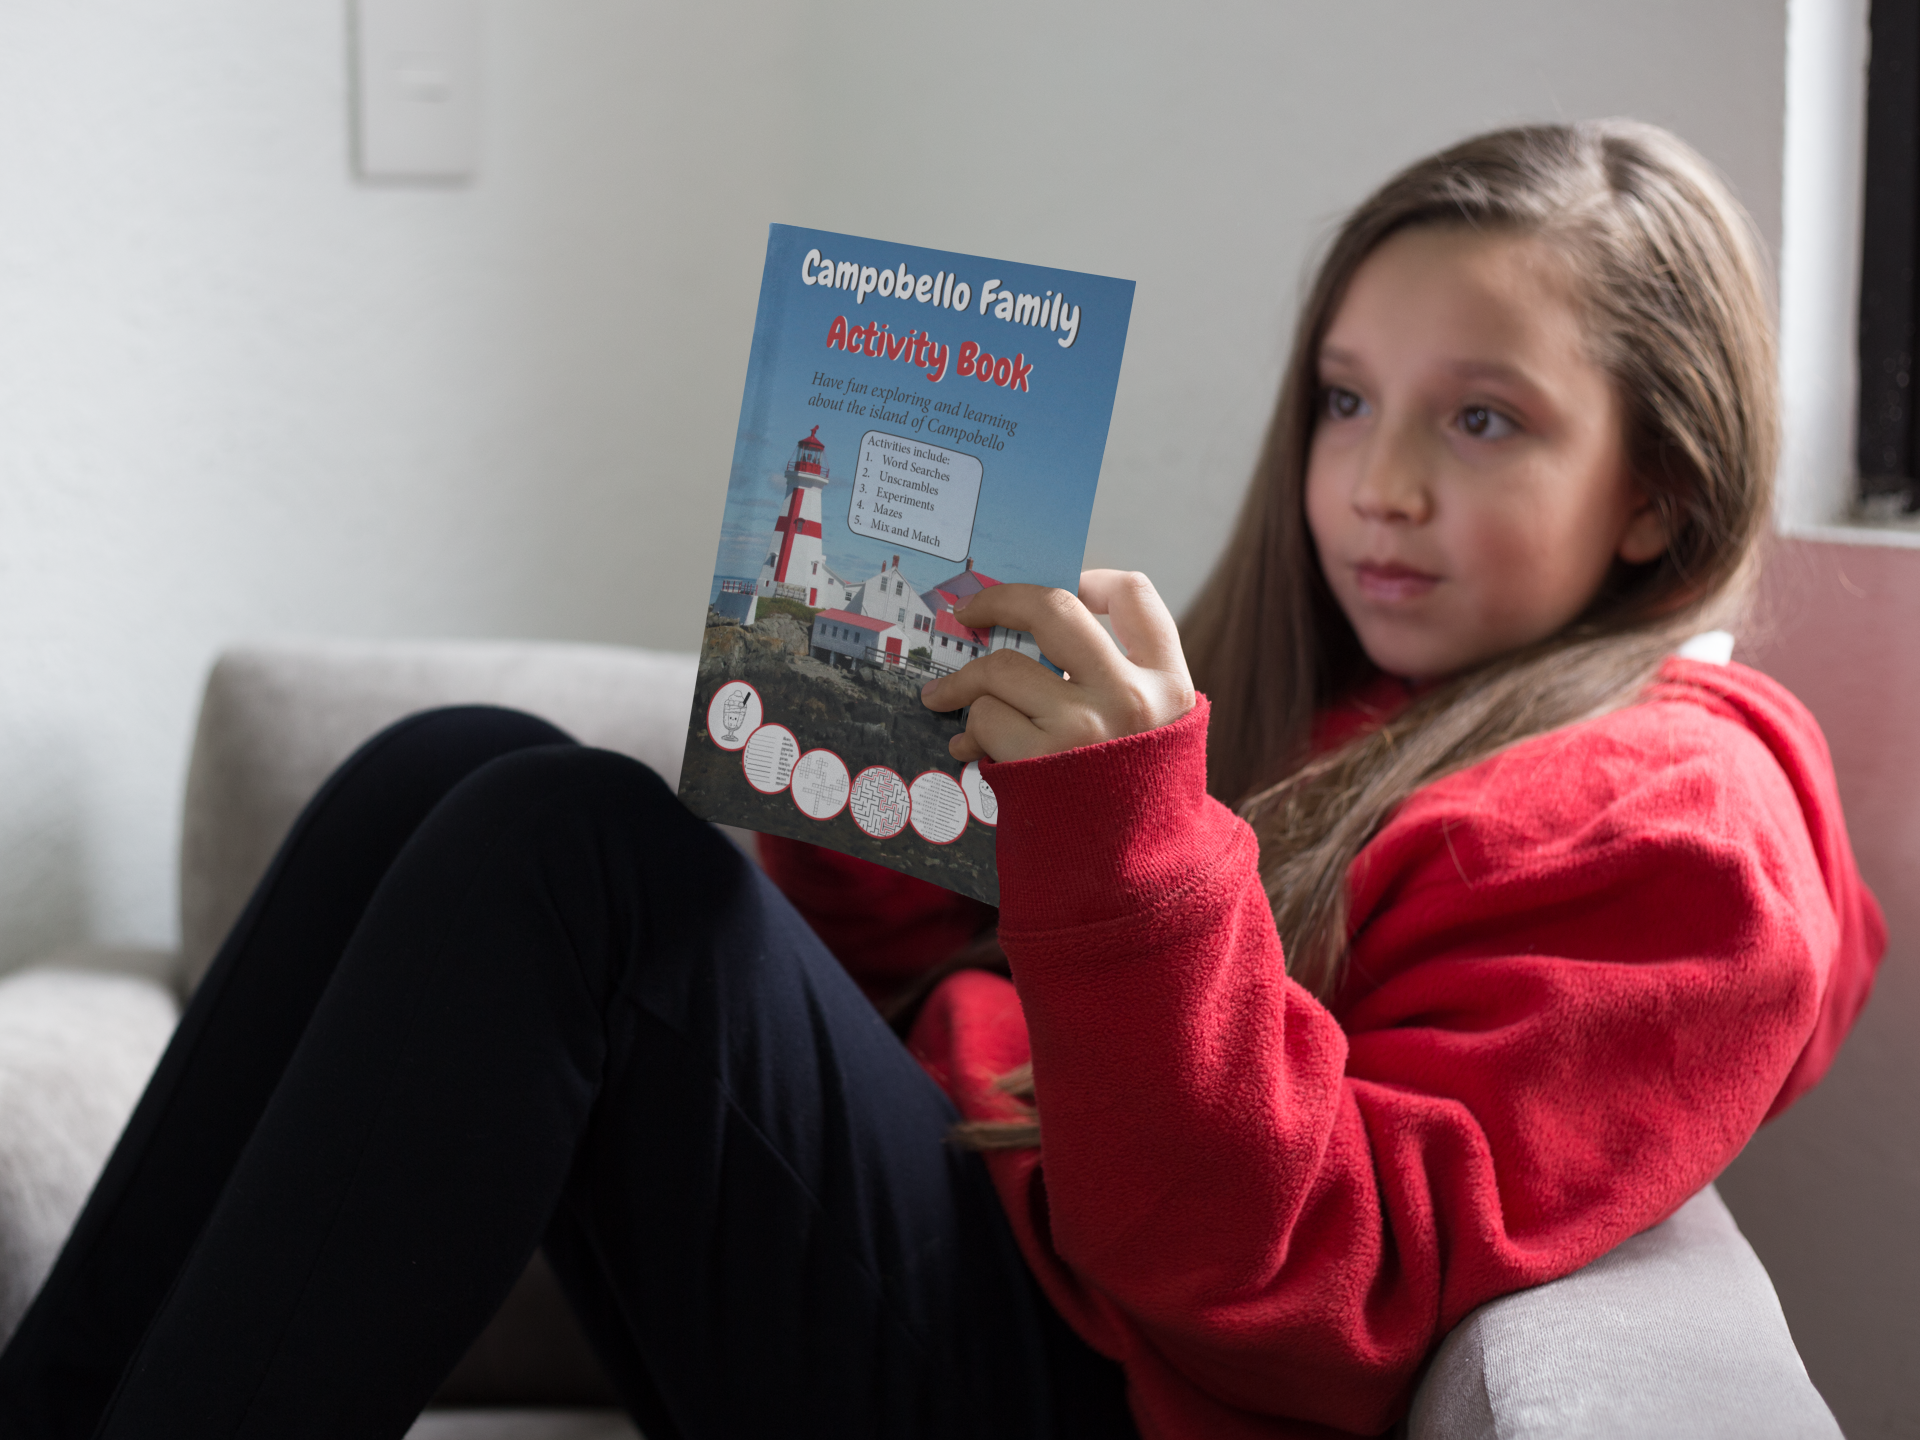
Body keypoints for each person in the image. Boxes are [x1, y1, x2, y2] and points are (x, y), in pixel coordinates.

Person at [0, 120, 1883, 1440]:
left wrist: (1132, 849)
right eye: (1343, 396)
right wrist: (865, 751)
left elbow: (1321, 1290)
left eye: (1483, 418)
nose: (1378, 482)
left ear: (1656, 488)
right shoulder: (1349, 705)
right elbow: (935, 996)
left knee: (553, 853)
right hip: (974, 1269)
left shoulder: (1674, 829)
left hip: (1106, 1387)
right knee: (458, 766)